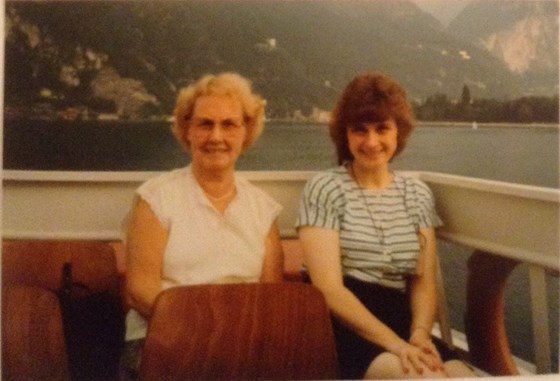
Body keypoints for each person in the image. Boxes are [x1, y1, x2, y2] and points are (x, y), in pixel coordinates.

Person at [296, 71, 476, 379]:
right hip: (343, 326)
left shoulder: (417, 195)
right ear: (345, 134)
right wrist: (396, 345)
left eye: (382, 129)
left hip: (403, 322)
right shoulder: (325, 189)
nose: (371, 141)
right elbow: (328, 288)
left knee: (463, 376)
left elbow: (423, 281)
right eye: (359, 130)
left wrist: (419, 334)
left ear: (398, 133)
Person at [120, 72, 284, 379]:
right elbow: (139, 291)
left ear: (246, 131)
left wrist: (233, 339)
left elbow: (270, 297)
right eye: (205, 124)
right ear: (188, 130)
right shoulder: (155, 198)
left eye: (229, 124)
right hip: (163, 338)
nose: (216, 137)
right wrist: (207, 333)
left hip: (242, 344)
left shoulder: (263, 209)